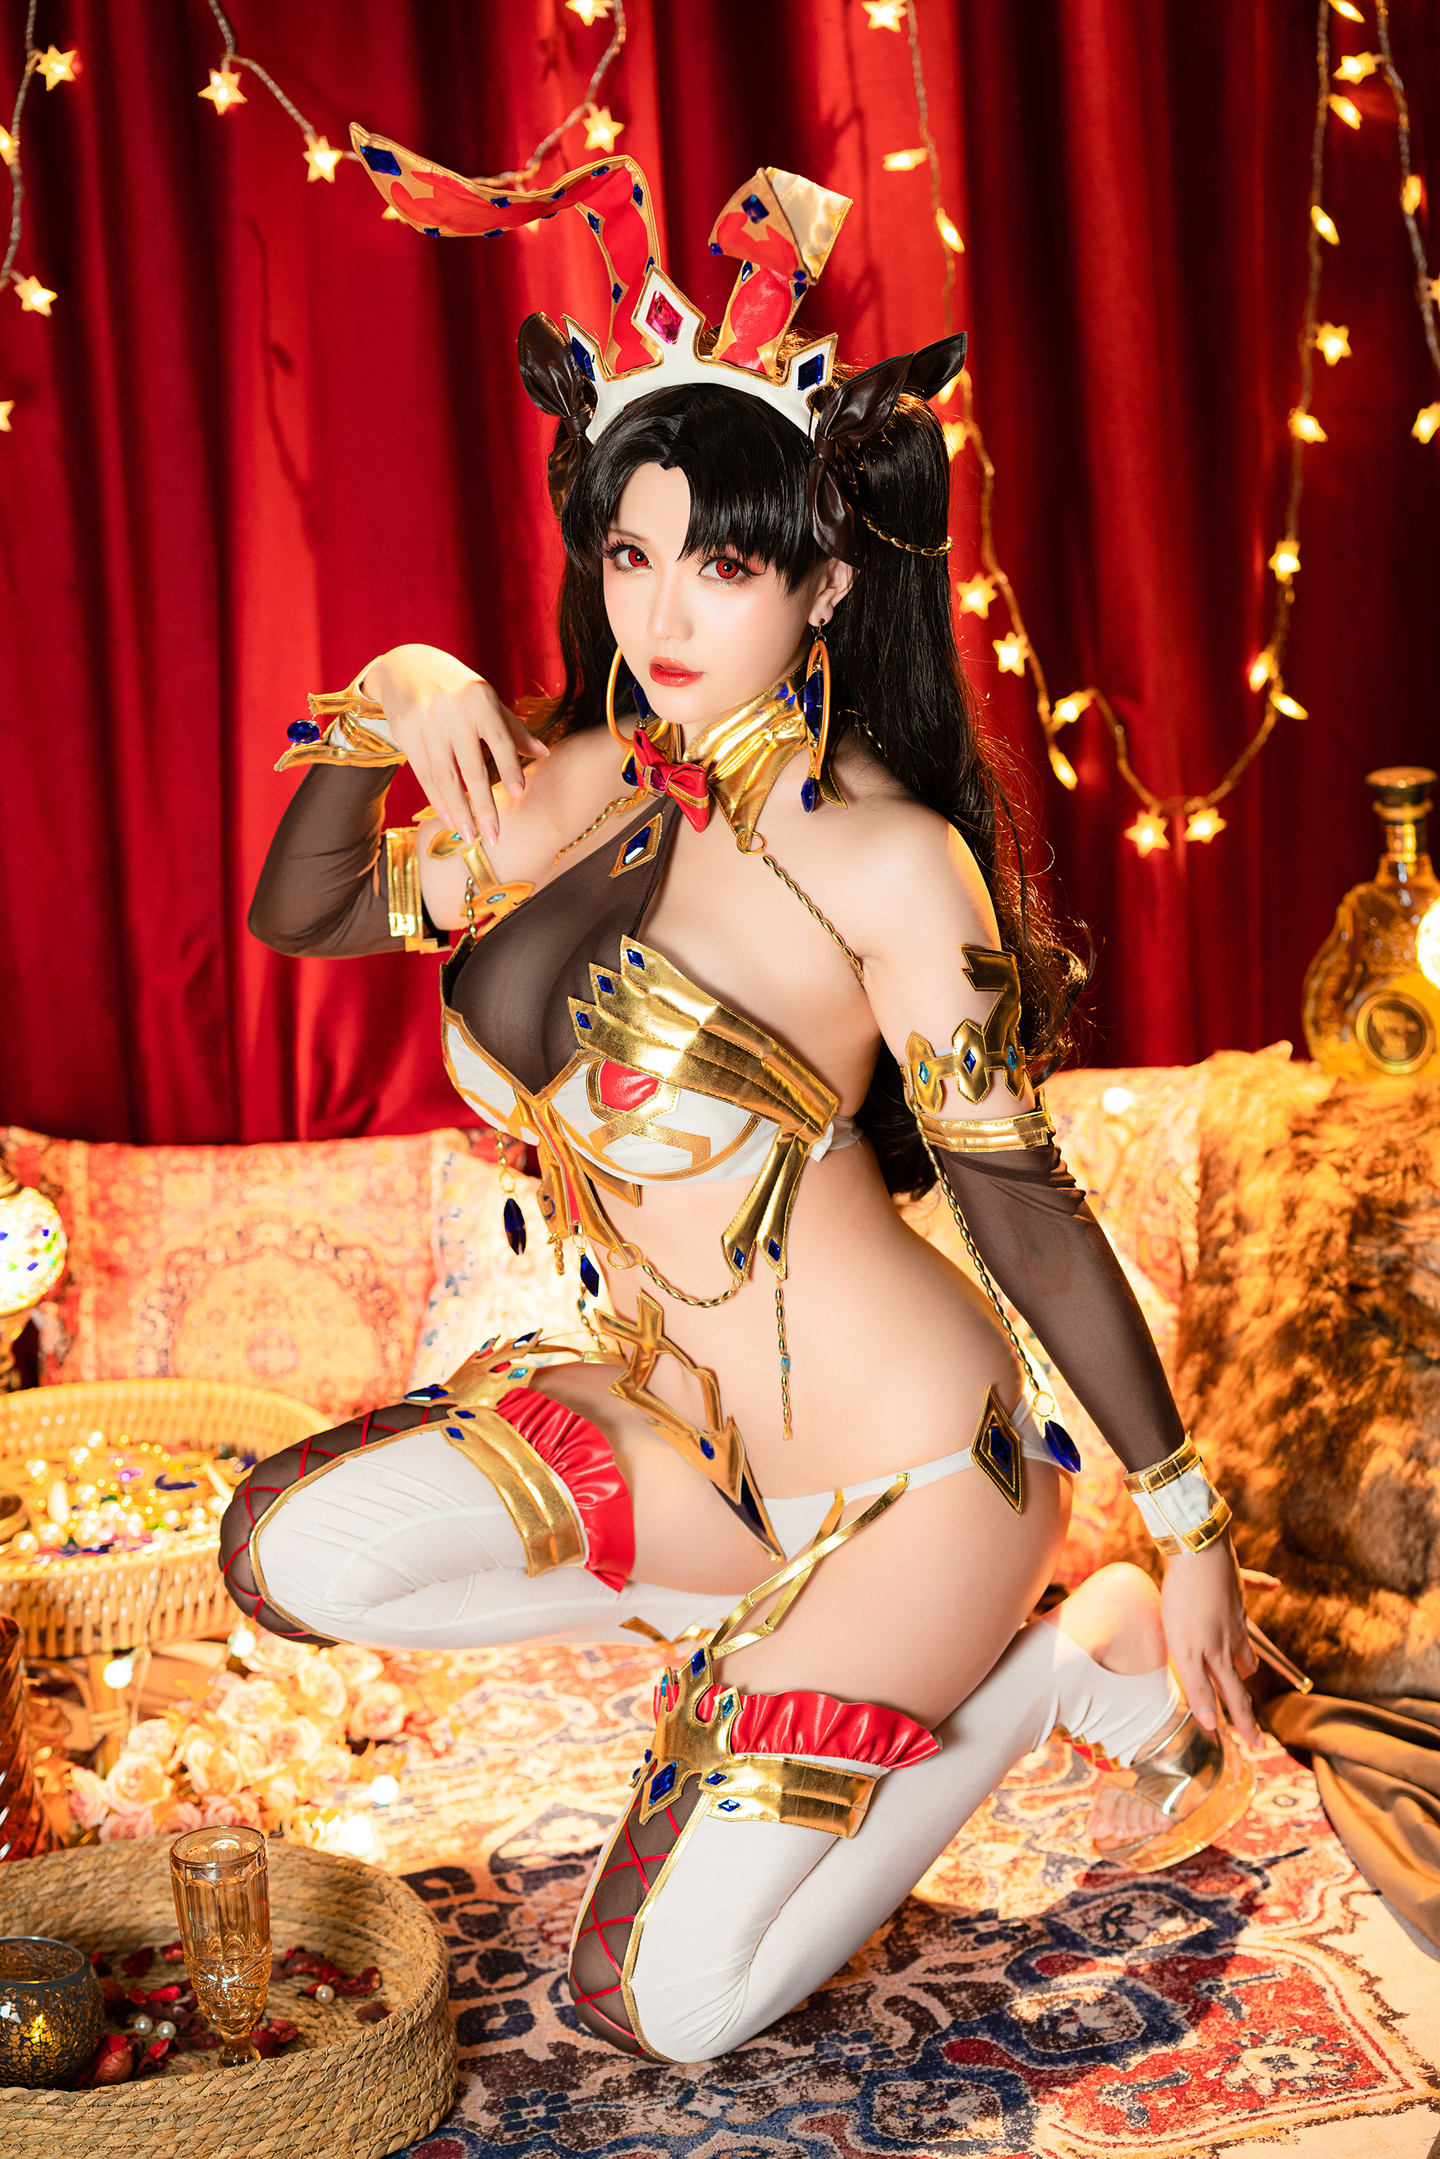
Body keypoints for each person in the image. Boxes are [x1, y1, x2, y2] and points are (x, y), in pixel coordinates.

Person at [222, 140, 1260, 2064]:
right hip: (692, 1441)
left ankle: (1042, 1672)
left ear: (824, 580)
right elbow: (307, 910)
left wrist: (1189, 1516)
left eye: (725, 559)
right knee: (285, 1552)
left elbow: (1022, 1201)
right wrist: (387, 690)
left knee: (663, 2005)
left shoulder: (888, 863)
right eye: (633, 553)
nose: (666, 610)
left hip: (912, 1478)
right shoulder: (575, 780)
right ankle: (736, 1652)